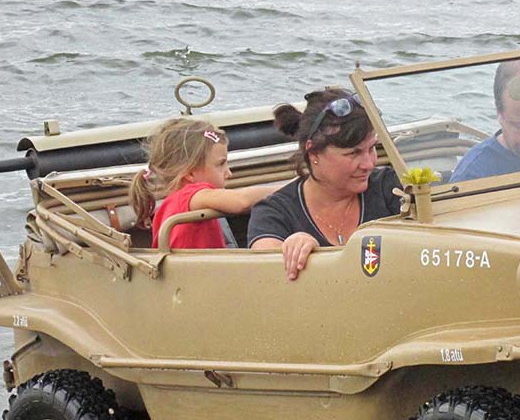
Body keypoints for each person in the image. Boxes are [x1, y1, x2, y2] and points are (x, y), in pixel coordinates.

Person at [247, 87, 401, 281]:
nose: (369, 164)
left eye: (371, 148)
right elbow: (264, 270)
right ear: (313, 153)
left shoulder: (393, 187)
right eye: (353, 153)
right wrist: (294, 247)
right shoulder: (274, 213)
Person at [129, 118, 277, 249]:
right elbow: (241, 201)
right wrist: (290, 189)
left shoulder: (172, 203)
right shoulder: (192, 195)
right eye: (221, 164)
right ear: (190, 173)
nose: (228, 173)